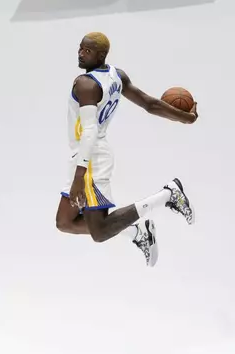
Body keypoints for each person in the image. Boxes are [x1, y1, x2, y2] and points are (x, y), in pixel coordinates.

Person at [55, 32, 198, 267]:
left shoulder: (86, 84)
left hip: (89, 159)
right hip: (86, 155)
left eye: (87, 51)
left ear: (101, 55)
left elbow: (89, 131)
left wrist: (80, 176)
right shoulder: (116, 75)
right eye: (80, 48)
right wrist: (185, 117)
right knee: (65, 222)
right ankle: (135, 230)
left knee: (99, 232)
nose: (80, 53)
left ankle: (167, 195)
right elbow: (149, 104)